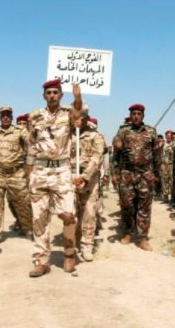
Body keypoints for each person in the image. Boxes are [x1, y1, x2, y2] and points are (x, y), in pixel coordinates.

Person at [26, 79, 84, 277]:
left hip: (61, 171)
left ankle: (69, 253)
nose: (52, 95)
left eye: (55, 92)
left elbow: (78, 113)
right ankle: (41, 260)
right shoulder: (34, 116)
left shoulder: (68, 114)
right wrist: (29, 172)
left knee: (68, 213)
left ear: (61, 95)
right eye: (48, 92)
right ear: (44, 95)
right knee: (39, 218)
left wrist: (77, 97)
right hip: (40, 171)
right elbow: (31, 146)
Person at [112, 104, 160, 251]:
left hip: (145, 174)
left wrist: (156, 174)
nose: (136, 116)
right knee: (127, 205)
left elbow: (157, 154)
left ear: (143, 116)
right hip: (127, 173)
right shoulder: (123, 131)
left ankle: (143, 238)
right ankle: (128, 232)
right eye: (133, 114)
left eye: (139, 114)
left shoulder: (151, 132)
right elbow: (116, 154)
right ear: (130, 115)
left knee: (144, 207)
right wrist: (115, 173)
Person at [0, 105, 32, 243]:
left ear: (11, 117)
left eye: (8, 114)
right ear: (0, 117)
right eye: (3, 115)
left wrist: (29, 169)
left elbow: (31, 147)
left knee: (23, 203)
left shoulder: (20, 132)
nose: (5, 117)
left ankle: (28, 229)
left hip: (16, 173)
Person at [70, 111, 104, 261]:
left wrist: (84, 176)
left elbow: (97, 158)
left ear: (87, 119)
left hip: (89, 178)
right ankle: (72, 242)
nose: (78, 120)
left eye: (81, 117)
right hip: (69, 176)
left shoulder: (96, 136)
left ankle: (87, 245)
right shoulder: (66, 134)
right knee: (71, 212)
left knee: (89, 212)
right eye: (75, 117)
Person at [160, 130, 175, 203]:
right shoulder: (163, 144)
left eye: (170, 135)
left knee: (172, 182)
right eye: (167, 135)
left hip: (171, 164)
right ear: (165, 136)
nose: (169, 137)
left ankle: (173, 197)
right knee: (164, 181)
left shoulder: (174, 144)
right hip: (163, 164)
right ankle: (165, 197)